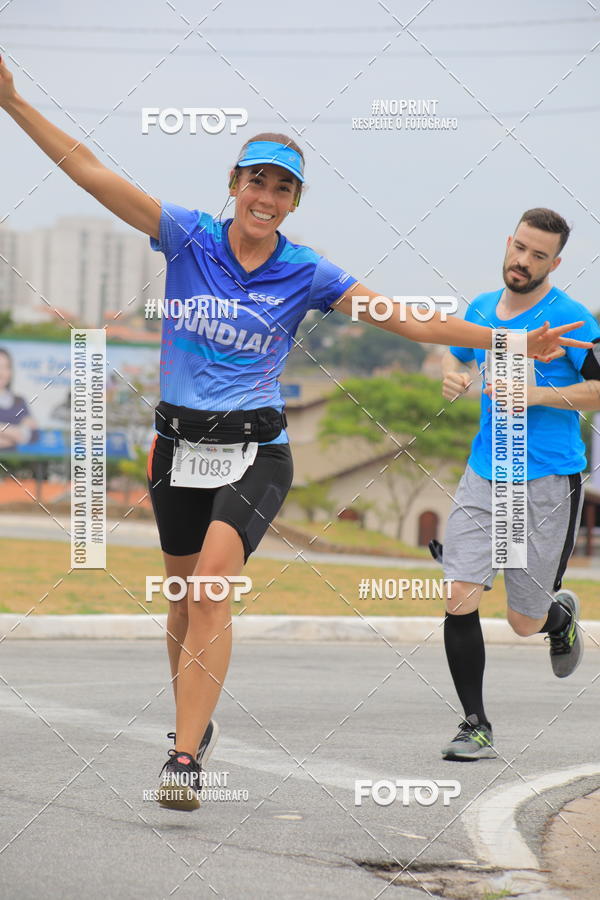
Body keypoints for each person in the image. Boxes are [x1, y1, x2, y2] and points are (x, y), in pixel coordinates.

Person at [1, 56, 590, 810]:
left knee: (212, 587)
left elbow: (408, 320)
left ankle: (183, 759)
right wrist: (14, 101)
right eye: (257, 180)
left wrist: (506, 342)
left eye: (284, 187)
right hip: (177, 446)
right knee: (183, 602)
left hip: (256, 450)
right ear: (235, 184)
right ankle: (196, 720)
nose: (268, 196)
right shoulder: (186, 237)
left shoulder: (307, 272)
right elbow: (88, 171)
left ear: (294, 201)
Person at [436, 208, 600, 761]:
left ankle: (558, 616)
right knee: (458, 593)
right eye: (520, 248)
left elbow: (599, 391)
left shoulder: (573, 319)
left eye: (538, 256)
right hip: (485, 470)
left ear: (555, 263)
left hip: (550, 478)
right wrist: (453, 374)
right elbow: (455, 354)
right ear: (508, 242)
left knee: (523, 620)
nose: (523, 262)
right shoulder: (482, 308)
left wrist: (537, 396)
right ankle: (475, 724)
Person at [0, 347, 38, 450]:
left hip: (14, 462)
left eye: (6, 367)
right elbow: (19, 435)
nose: (1, 373)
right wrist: (14, 432)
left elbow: (33, 435)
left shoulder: (19, 402)